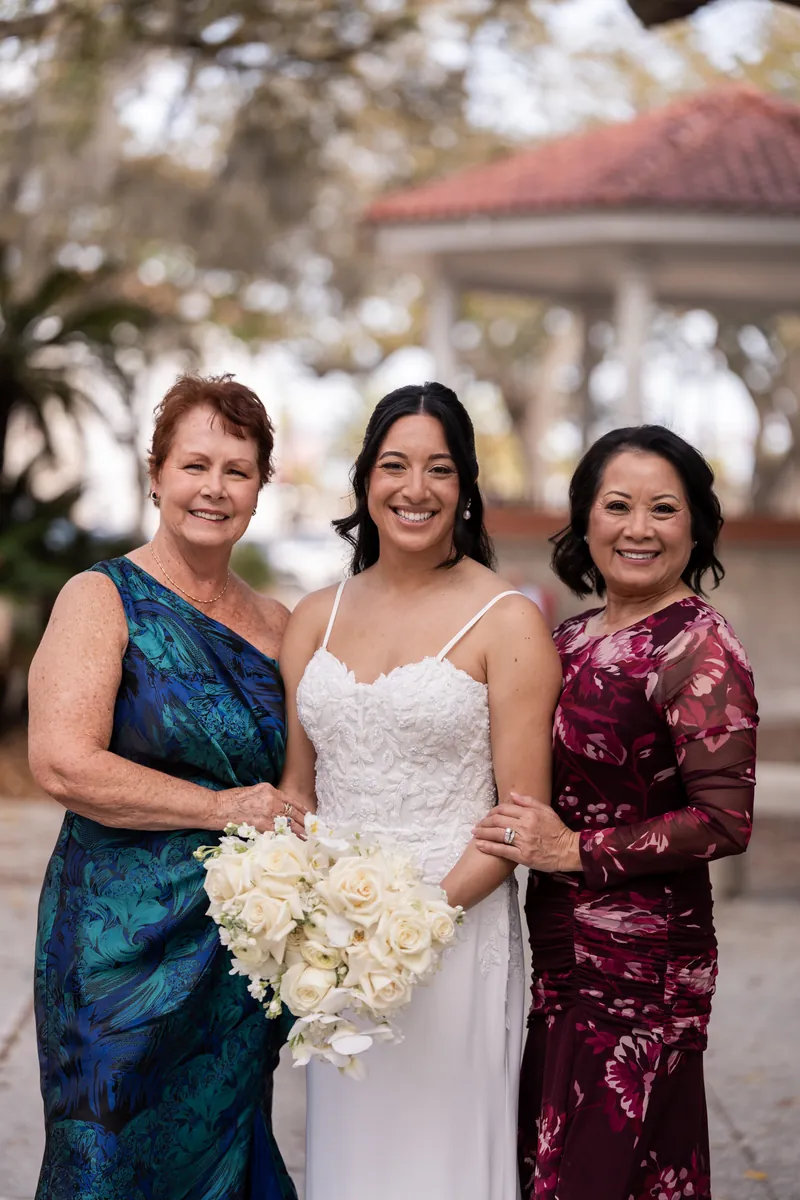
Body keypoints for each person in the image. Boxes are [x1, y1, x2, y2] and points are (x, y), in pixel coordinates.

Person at [277, 381, 561, 1200]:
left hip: (454, 933)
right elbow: (301, 791)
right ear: (366, 479)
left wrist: (413, 924)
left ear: (466, 487)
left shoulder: (506, 621)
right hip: (333, 947)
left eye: (440, 469)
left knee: (441, 1166)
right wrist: (300, 914)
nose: (415, 488)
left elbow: (520, 822)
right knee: (351, 1159)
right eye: (394, 465)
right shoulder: (314, 617)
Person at [28, 374, 307, 1200]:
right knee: (106, 1163)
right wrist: (225, 809)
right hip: (114, 949)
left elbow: (299, 781)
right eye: (195, 464)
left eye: (238, 469)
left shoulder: (281, 626)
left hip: (236, 946)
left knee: (226, 1154)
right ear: (156, 475)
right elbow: (61, 762)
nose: (214, 488)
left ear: (261, 489)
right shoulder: (100, 597)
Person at [474, 425, 758, 1200]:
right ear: (586, 518)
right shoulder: (565, 638)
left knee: (615, 1173)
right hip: (563, 950)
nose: (638, 527)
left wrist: (576, 852)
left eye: (663, 508)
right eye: (618, 505)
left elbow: (724, 820)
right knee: (558, 1161)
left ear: (694, 525)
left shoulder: (698, 646)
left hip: (646, 961)